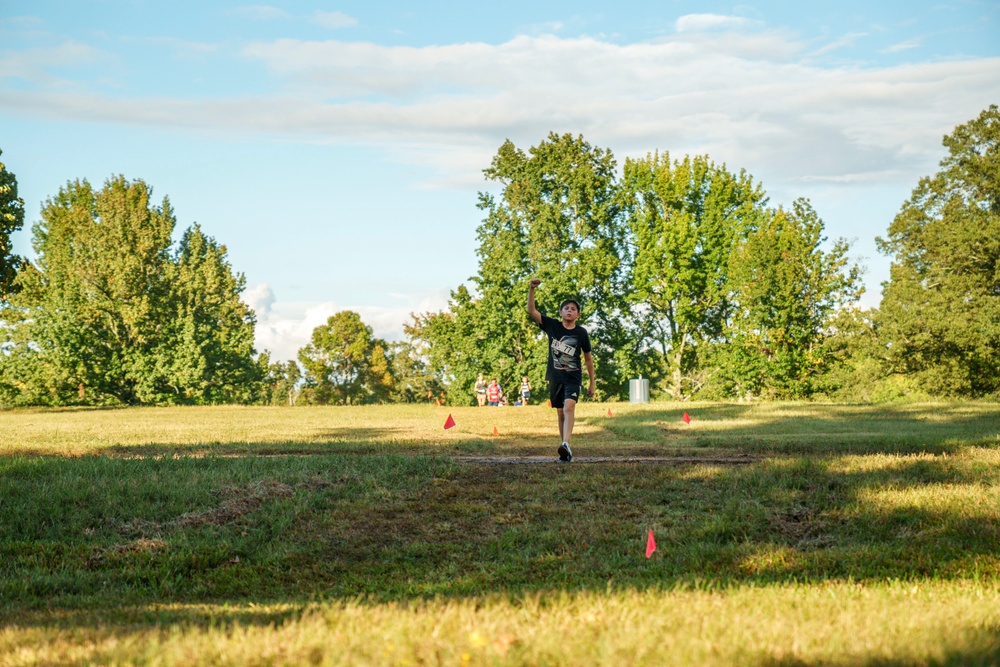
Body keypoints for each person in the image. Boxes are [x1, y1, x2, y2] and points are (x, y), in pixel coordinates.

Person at [527, 279, 595, 462]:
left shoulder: (581, 333)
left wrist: (592, 383)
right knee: (559, 412)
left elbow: (588, 358)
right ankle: (564, 448)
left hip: (573, 377)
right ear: (560, 312)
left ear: (578, 315)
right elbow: (531, 311)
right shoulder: (553, 326)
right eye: (566, 308)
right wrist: (531, 289)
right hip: (555, 376)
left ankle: (566, 443)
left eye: (573, 309)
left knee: (569, 407)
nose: (570, 310)